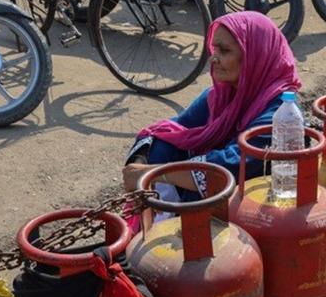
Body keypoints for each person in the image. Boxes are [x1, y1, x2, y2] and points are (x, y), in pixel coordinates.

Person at [122, 11, 301, 205]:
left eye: (224, 51)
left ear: (255, 55)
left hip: (253, 206)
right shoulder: (222, 95)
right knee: (162, 145)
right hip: (215, 190)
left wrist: (153, 173)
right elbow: (172, 128)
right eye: (214, 49)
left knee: (203, 188)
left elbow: (231, 165)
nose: (213, 59)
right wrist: (140, 164)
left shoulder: (281, 111)